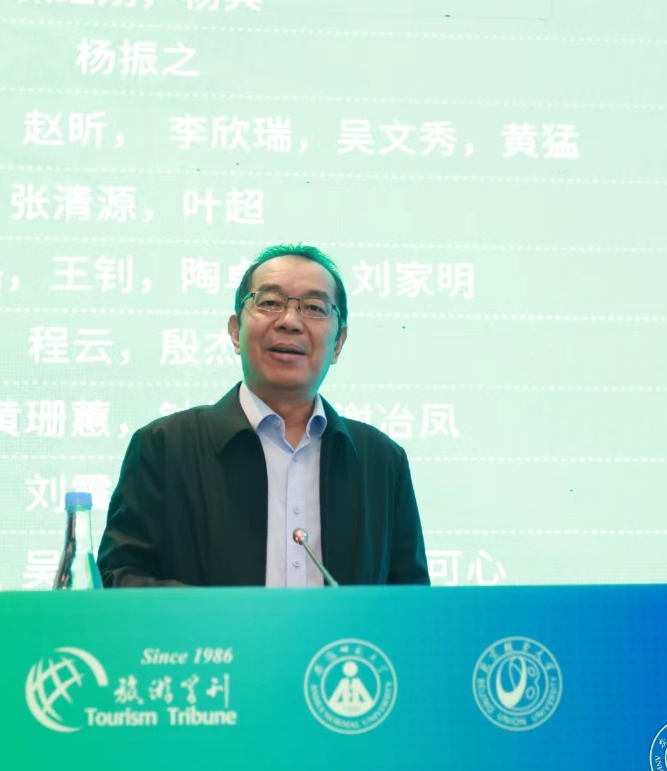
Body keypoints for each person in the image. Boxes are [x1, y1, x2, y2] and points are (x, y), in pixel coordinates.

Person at [97, 243, 429, 587]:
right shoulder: (163, 447)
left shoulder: (381, 461)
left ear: (338, 343)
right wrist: (221, 614)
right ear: (235, 331)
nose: (290, 322)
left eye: (314, 307)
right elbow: (119, 576)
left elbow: (414, 600)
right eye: (269, 303)